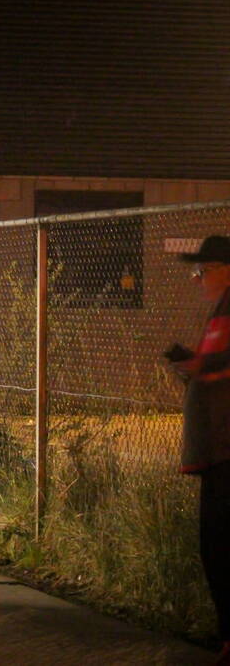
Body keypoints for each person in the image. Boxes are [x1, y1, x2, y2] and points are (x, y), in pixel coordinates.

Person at [168, 235, 230, 663]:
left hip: (227, 450)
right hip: (219, 448)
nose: (198, 279)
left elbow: (218, 366)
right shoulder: (221, 310)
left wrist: (193, 365)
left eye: (202, 270)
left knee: (220, 544)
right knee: (216, 544)